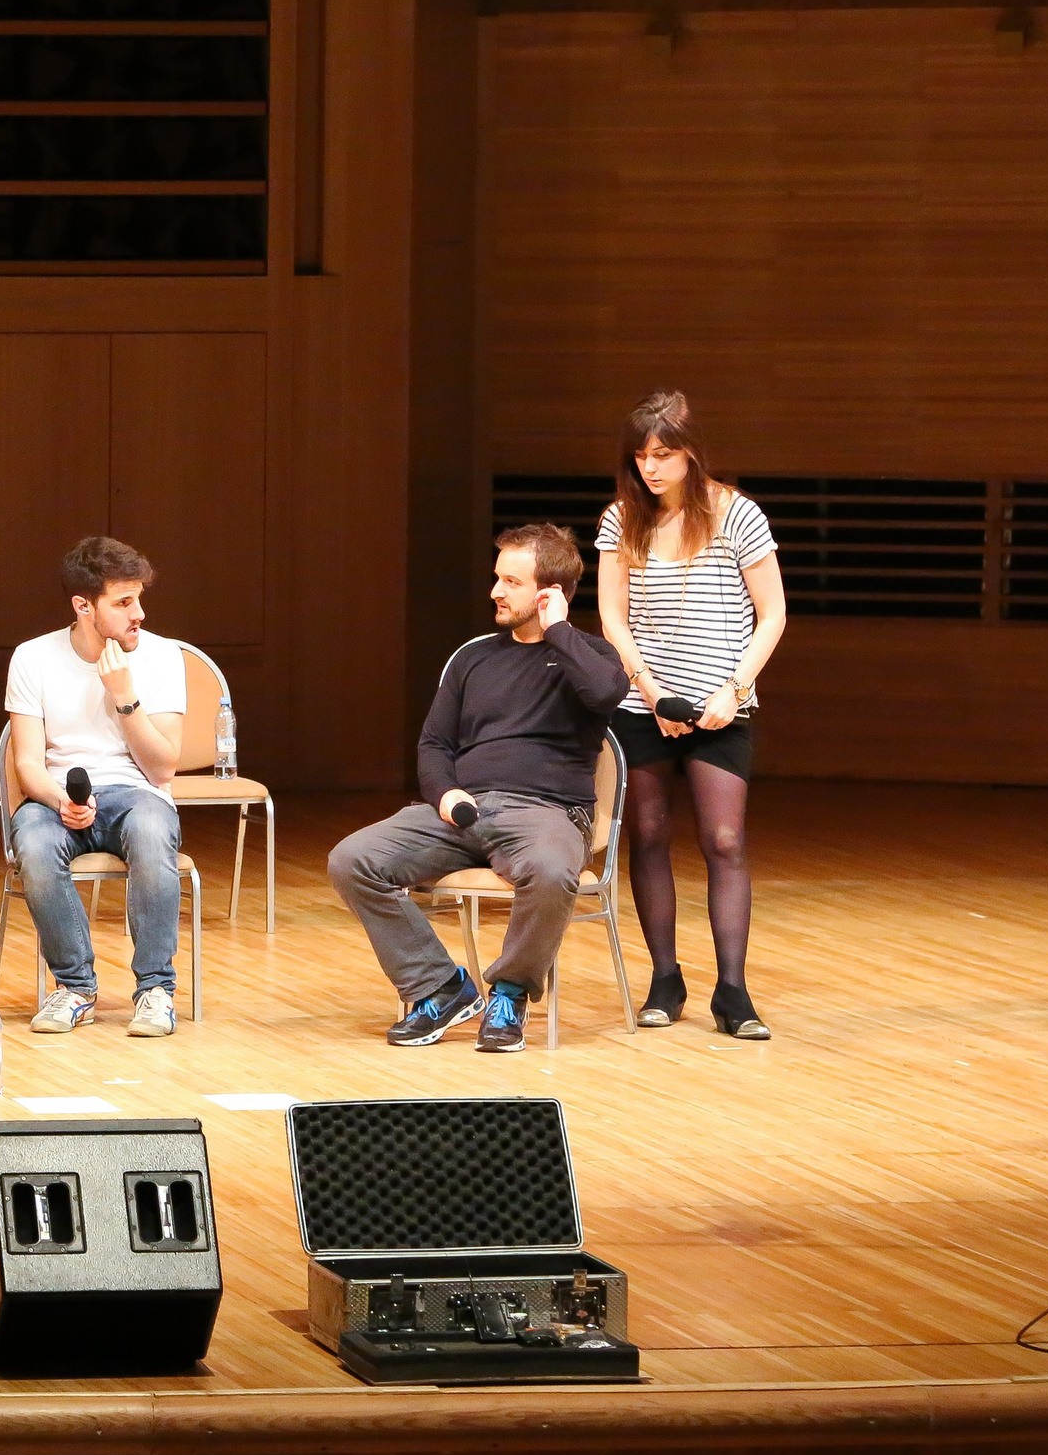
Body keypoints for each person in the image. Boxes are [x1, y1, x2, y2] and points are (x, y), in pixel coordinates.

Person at [327, 524, 628, 1053]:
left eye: (511, 581)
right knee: (353, 859)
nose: (495, 591)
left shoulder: (591, 656)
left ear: (549, 593)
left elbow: (606, 694)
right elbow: (435, 744)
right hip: (463, 811)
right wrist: (444, 792)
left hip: (548, 812)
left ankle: (510, 991)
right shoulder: (473, 658)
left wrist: (559, 632)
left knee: (553, 869)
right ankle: (440, 988)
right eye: (497, 578)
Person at [594, 390, 788, 1039]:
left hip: (721, 703)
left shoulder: (738, 515)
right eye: (642, 456)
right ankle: (664, 978)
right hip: (643, 703)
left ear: (691, 453)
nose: (652, 467)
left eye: (665, 454)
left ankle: (732, 990)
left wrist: (731, 689)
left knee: (724, 839)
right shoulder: (621, 519)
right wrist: (648, 691)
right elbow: (613, 618)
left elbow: (774, 614)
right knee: (646, 834)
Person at [4, 537, 189, 1038]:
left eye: (139, 599)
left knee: (152, 836)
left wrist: (125, 698)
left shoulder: (163, 656)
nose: (139, 614)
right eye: (123, 602)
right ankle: (75, 987)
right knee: (37, 845)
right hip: (57, 794)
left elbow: (163, 769)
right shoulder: (32, 657)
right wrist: (59, 800)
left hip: (137, 792)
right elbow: (27, 762)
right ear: (83, 606)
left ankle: (155, 990)